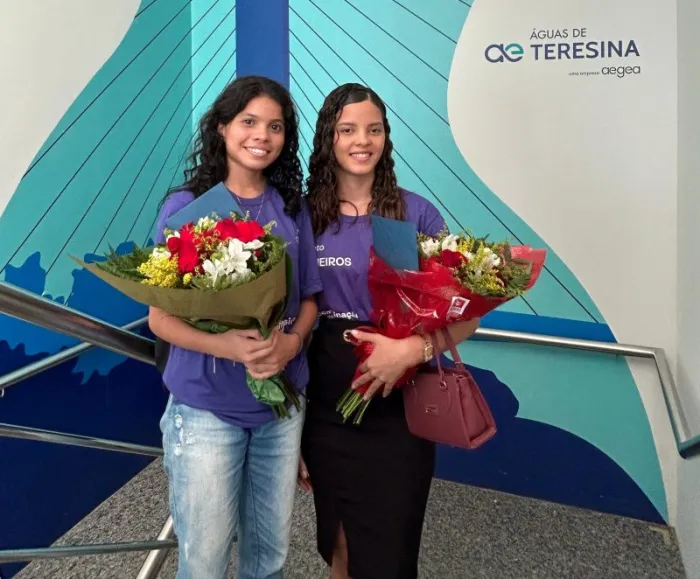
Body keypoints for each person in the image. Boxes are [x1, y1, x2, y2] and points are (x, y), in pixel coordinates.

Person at [300, 83, 480, 579]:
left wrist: (411, 350)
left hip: (399, 410)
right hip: (326, 408)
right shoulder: (304, 215)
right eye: (348, 129)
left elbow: (468, 313)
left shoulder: (414, 214)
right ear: (329, 138)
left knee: (390, 552)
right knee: (339, 543)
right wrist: (288, 431)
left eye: (374, 129)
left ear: (386, 137)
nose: (362, 140)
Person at [149, 76, 322, 579]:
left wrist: (291, 343)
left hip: (280, 410)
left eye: (275, 126)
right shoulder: (186, 209)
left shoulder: (291, 207)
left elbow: (310, 298)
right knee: (204, 561)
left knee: (269, 557)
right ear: (222, 127)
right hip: (206, 409)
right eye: (249, 122)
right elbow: (161, 318)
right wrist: (225, 344)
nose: (262, 135)